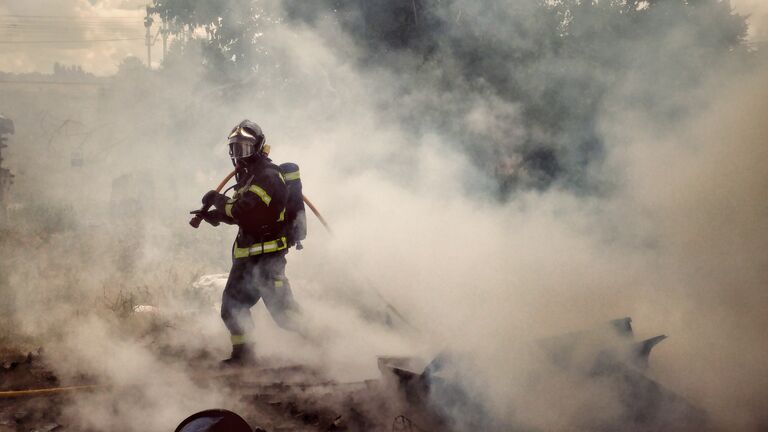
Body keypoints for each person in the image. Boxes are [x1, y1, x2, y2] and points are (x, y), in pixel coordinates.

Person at [202, 120, 303, 365]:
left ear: (257, 146)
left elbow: (244, 211)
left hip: (268, 260)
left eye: (244, 148)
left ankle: (325, 347)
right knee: (231, 308)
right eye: (235, 149)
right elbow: (245, 217)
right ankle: (244, 355)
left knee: (286, 316)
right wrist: (216, 216)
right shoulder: (249, 178)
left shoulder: (268, 177)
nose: (239, 155)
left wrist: (218, 200)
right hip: (246, 260)